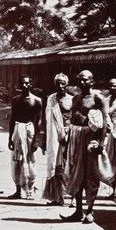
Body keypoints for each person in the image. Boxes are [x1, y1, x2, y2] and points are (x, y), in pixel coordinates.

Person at [61, 70, 109, 224]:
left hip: (90, 140)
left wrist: (100, 144)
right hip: (75, 139)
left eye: (85, 80)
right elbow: (72, 121)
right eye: (80, 80)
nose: (82, 83)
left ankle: (90, 211)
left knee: (91, 175)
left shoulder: (98, 98)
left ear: (92, 82)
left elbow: (105, 124)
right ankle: (78, 211)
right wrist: (68, 143)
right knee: (76, 174)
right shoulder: (76, 98)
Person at [8, 76, 43, 200]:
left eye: (27, 83)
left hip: (29, 131)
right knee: (17, 160)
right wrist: (10, 138)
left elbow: (38, 121)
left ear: (31, 84)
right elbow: (12, 119)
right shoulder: (16, 100)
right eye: (22, 83)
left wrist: (36, 140)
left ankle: (30, 190)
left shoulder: (36, 101)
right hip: (18, 131)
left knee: (29, 161)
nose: (24, 86)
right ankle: (18, 190)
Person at [41, 73, 73, 206]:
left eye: (63, 83)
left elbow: (75, 119)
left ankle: (73, 198)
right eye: (58, 83)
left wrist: (69, 135)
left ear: (67, 84)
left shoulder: (72, 99)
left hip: (69, 135)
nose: (60, 86)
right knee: (56, 166)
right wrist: (44, 139)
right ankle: (57, 197)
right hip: (54, 136)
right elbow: (46, 120)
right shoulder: (51, 99)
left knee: (69, 166)